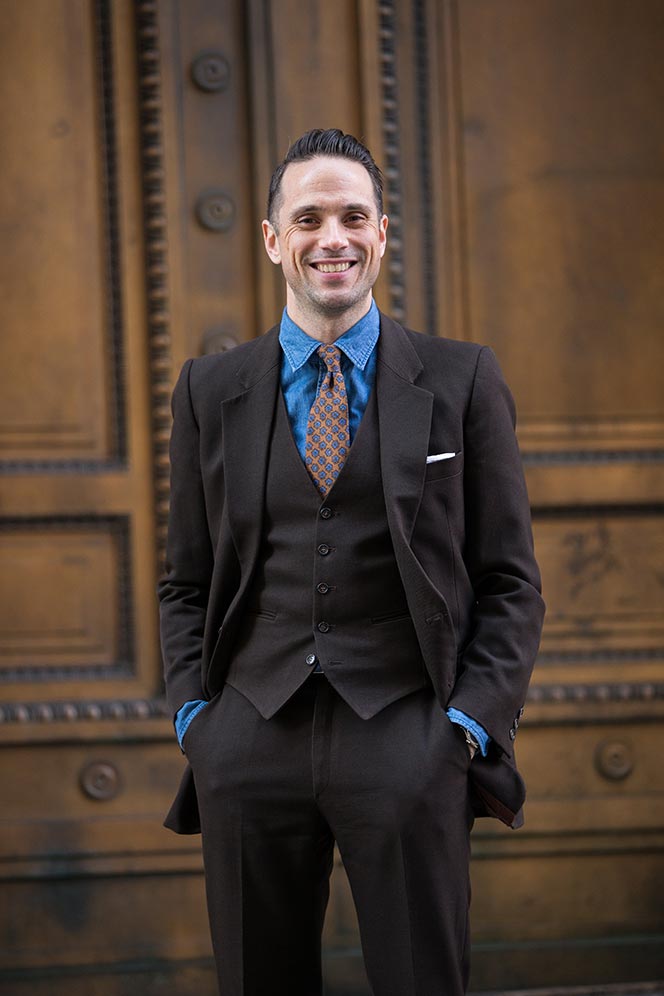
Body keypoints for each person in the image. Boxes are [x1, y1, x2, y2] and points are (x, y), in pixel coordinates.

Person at [158, 128, 545, 996]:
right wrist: (197, 721)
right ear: (273, 240)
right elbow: (185, 579)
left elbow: (511, 579)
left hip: (409, 735)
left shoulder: (462, 380)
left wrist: (465, 726)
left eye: (352, 217)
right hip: (249, 737)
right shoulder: (209, 391)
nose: (331, 237)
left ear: (381, 233)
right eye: (308, 219)